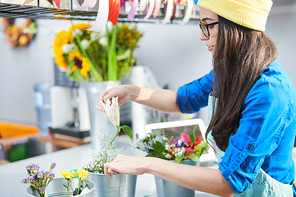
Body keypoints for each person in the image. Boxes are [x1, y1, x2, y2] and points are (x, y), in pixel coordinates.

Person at [96, 0, 296, 196]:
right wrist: (131, 92)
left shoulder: (269, 93)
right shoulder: (229, 69)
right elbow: (181, 100)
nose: (201, 35)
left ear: (234, 24)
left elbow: (228, 184)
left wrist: (146, 163)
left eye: (207, 25)